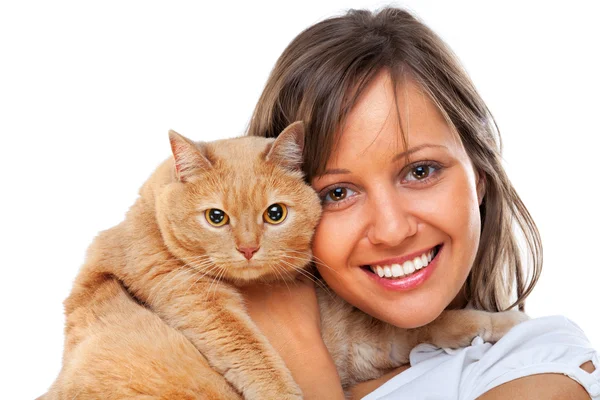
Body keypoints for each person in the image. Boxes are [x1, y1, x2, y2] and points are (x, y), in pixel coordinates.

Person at [242, 6, 600, 399]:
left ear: (478, 173)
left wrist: (299, 351)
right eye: (338, 193)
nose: (392, 230)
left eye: (420, 171)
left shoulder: (539, 366)